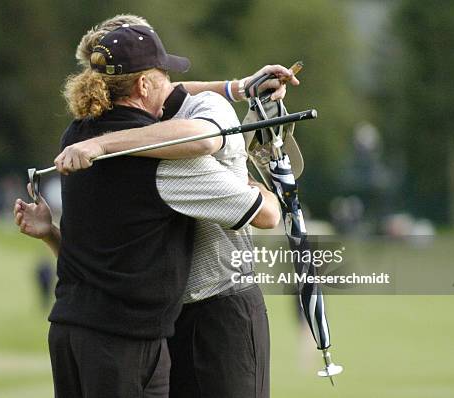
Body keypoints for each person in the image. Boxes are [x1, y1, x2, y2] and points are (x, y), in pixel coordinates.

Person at [14, 22, 281, 398]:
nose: (171, 86)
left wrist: (50, 234)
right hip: (126, 347)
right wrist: (258, 186)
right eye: (163, 76)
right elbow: (266, 215)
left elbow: (93, 261)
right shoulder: (167, 163)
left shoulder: (76, 137)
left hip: (69, 334)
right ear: (143, 86)